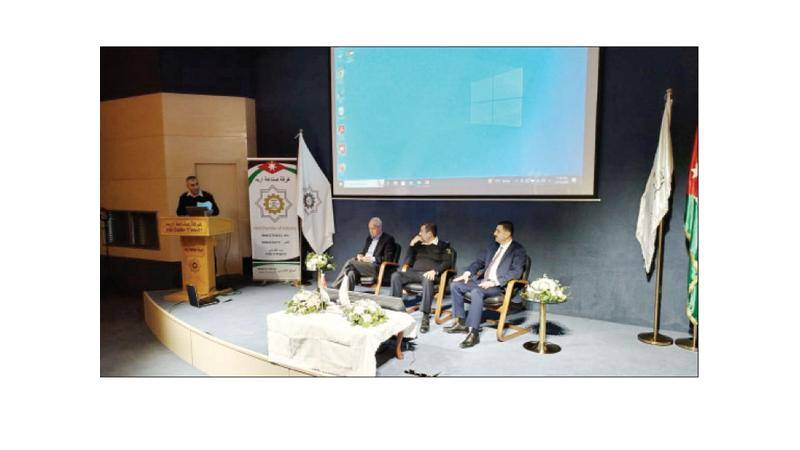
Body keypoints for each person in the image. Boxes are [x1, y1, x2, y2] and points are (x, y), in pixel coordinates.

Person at [446, 221, 527, 348]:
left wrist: (494, 282)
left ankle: (474, 332)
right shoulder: (492, 246)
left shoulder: (518, 250)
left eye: (498, 231)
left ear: (507, 234)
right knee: (456, 284)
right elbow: (478, 262)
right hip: (483, 282)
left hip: (499, 287)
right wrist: (467, 273)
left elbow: (516, 272)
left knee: (476, 292)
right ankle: (461, 323)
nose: (494, 233)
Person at [390, 223, 453, 333]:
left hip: (430, 275)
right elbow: (407, 262)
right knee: (396, 275)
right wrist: (411, 245)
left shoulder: (444, 246)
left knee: (427, 278)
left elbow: (448, 262)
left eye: (421, 231)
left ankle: (425, 315)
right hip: (414, 273)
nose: (419, 233)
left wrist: (435, 271)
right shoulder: (418, 245)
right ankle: (396, 310)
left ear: (429, 234)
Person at [332, 217, 396, 291]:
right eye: (369, 228)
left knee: (350, 262)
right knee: (351, 273)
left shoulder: (388, 239)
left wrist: (371, 259)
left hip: (376, 268)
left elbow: (388, 259)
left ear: (379, 228)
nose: (370, 231)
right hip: (364, 265)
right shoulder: (369, 238)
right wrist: (360, 255)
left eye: (373, 228)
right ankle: (348, 294)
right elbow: (364, 252)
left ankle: (335, 287)